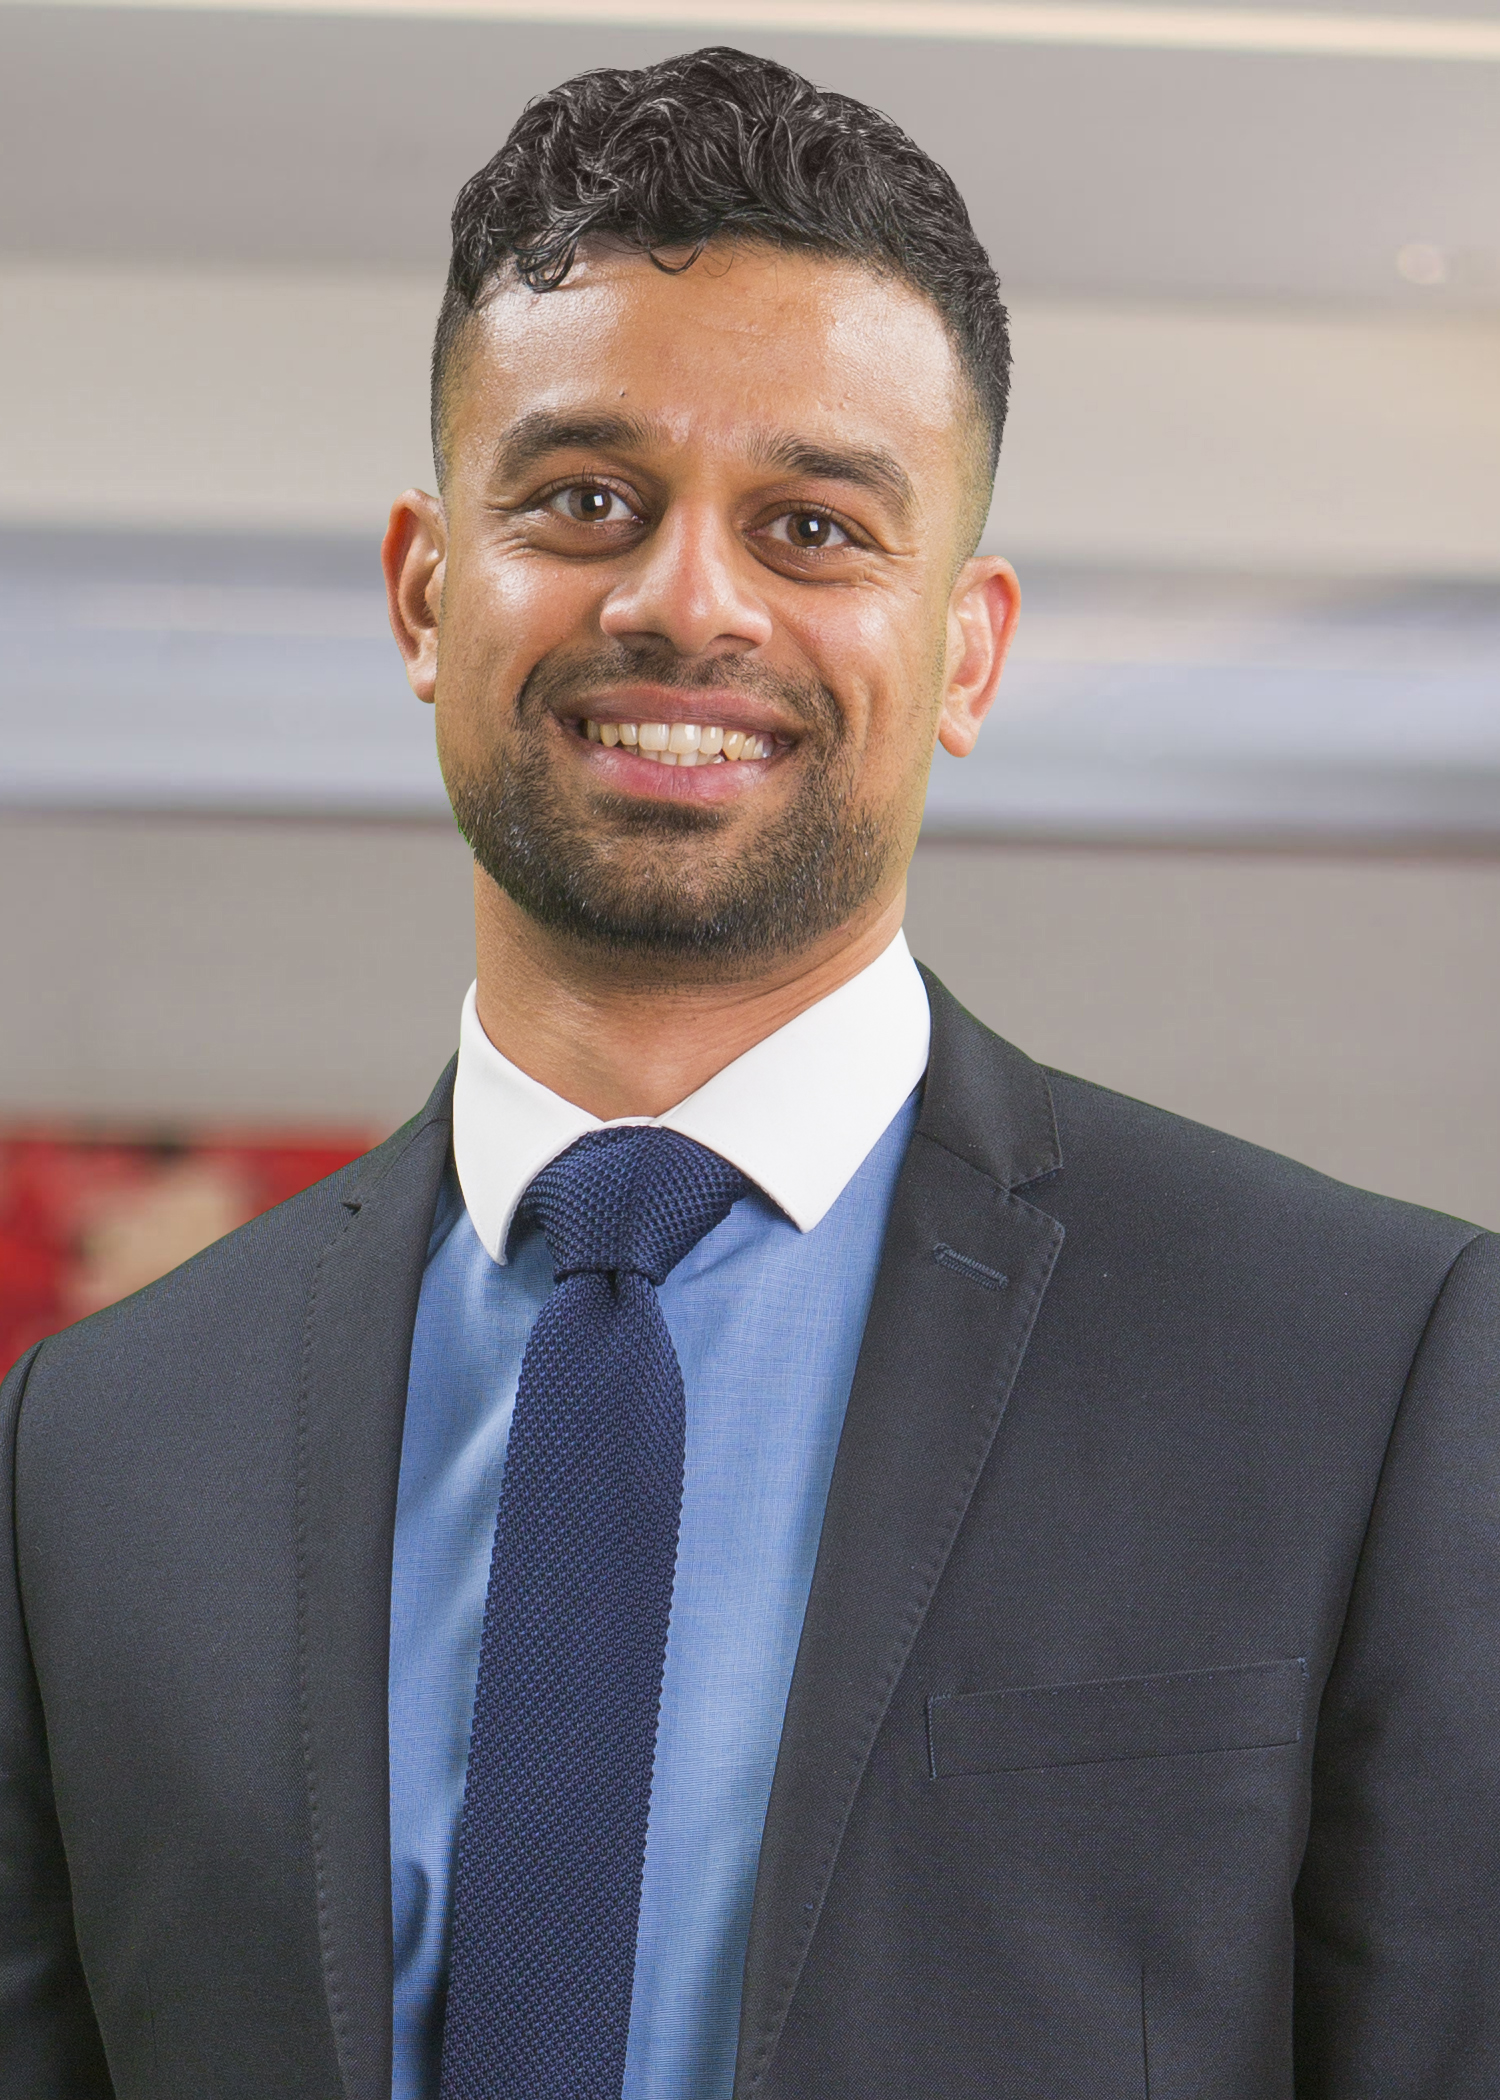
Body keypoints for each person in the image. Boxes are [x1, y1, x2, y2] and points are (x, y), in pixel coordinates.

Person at [2, 44, 1497, 2100]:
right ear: (426, 594)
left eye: (811, 525)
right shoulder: (92, 1450)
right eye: (583, 500)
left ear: (965, 652)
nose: (685, 598)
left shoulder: (1364, 1367)